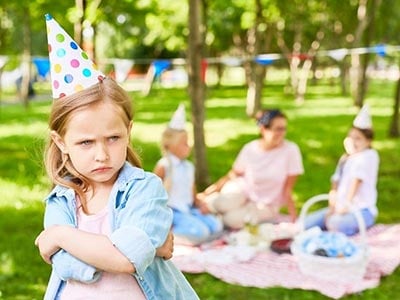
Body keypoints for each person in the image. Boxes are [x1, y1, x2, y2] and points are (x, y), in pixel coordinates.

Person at [34, 14, 199, 300]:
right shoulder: (62, 199)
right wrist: (145, 247)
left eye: (113, 138)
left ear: (128, 131)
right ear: (61, 143)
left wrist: (60, 236)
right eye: (85, 142)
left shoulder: (144, 188)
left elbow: (127, 260)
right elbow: (66, 264)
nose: (102, 155)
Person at [198, 109, 304, 229]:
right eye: (278, 129)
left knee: (231, 220)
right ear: (263, 129)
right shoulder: (250, 148)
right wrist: (208, 192)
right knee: (220, 203)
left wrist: (294, 218)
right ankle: (210, 206)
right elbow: (233, 174)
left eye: (284, 128)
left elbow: (288, 189)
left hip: (266, 204)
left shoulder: (291, 150)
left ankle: (215, 217)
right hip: (243, 190)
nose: (282, 133)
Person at [304, 104, 379, 236]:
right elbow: (335, 183)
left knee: (335, 223)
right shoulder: (346, 158)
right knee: (306, 223)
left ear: (368, 141)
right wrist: (332, 207)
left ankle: (340, 233)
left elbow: (356, 182)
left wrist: (344, 207)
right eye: (350, 137)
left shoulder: (368, 156)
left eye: (358, 138)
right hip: (339, 206)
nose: (353, 142)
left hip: (361, 210)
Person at [153, 104, 223, 244]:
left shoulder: (189, 166)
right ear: (170, 146)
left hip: (188, 209)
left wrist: (200, 204)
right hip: (173, 212)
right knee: (201, 233)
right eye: (184, 143)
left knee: (217, 226)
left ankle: (192, 232)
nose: (188, 146)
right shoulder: (164, 166)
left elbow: (192, 192)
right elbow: (152, 194)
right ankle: (167, 235)